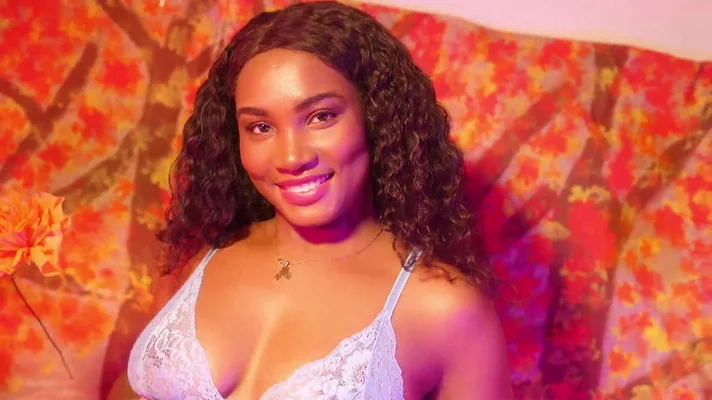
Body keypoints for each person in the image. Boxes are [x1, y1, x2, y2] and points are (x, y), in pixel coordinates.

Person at [108, 1, 513, 399]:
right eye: (261, 127)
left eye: (321, 117)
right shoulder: (201, 255)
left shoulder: (444, 309)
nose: (291, 158)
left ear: (376, 117)